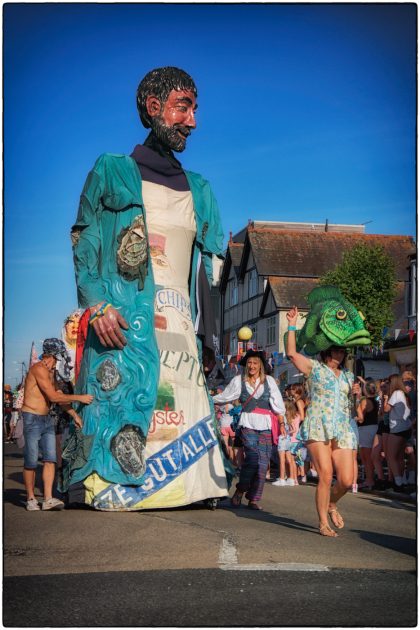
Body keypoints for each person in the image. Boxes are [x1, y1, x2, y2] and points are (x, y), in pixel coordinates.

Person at [62, 67, 232, 510]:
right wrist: (95, 305)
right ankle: (121, 487)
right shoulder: (111, 171)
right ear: (153, 108)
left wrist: (210, 335)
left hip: (178, 325)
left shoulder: (201, 189)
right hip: (121, 322)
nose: (192, 121)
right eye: (183, 107)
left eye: (194, 109)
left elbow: (214, 270)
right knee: (128, 401)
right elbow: (85, 241)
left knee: (177, 403)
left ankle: (190, 485)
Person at [286, 306, 359, 537]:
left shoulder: (348, 376)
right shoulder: (314, 368)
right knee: (326, 474)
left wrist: (356, 392)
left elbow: (354, 406)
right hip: (318, 425)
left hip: (342, 427)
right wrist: (291, 324)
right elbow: (291, 353)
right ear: (328, 351)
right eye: (337, 350)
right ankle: (322, 523)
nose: (340, 354)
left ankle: (331, 504)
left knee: (347, 481)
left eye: (342, 351)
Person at [21, 338, 93, 510]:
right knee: (31, 461)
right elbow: (54, 397)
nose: (61, 359)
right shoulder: (38, 369)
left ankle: (48, 499)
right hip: (32, 417)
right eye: (60, 355)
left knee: (51, 459)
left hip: (46, 419)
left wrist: (74, 414)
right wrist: (79, 398)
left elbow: (59, 396)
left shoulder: (51, 373)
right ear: (53, 355)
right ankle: (31, 499)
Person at [212, 350, 286, 510]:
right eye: (250, 363)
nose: (252, 366)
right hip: (247, 423)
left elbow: (278, 405)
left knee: (263, 463)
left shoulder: (270, 381)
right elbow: (225, 396)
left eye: (255, 363)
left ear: (261, 366)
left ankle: (253, 498)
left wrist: (281, 423)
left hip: (266, 425)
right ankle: (240, 491)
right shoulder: (239, 380)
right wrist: (209, 398)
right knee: (252, 459)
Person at [383, 374, 412, 492]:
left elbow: (386, 409)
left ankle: (398, 482)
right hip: (406, 428)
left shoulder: (396, 393)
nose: (388, 385)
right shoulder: (404, 394)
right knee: (399, 457)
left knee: (391, 456)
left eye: (389, 382)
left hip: (397, 428)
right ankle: (403, 480)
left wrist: (385, 399)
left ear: (393, 382)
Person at [356, 379, 379, 490]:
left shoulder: (365, 401)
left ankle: (369, 480)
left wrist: (357, 402)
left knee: (366, 457)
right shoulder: (375, 400)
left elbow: (361, 418)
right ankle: (369, 480)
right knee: (367, 457)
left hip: (366, 428)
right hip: (372, 427)